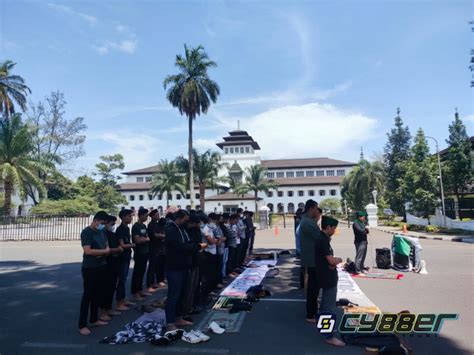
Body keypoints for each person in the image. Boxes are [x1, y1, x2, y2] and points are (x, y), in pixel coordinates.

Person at [165, 210, 207, 331]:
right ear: (179, 218)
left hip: (184, 266)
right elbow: (180, 247)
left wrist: (195, 246)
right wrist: (198, 246)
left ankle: (179, 317)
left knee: (182, 293)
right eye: (185, 220)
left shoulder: (181, 229)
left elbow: (188, 243)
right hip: (174, 267)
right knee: (173, 295)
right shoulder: (171, 230)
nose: (187, 222)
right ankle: (170, 322)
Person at [78, 211, 110, 336]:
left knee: (98, 294)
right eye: (102, 223)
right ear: (96, 220)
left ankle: (94, 318)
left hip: (101, 266)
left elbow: (107, 247)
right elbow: (88, 251)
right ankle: (82, 325)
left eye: (104, 224)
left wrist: (103, 252)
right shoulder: (87, 232)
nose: (103, 226)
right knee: (88, 295)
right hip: (90, 268)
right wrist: (103, 251)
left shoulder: (102, 232)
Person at [315, 216, 345, 347]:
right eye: (334, 228)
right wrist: (338, 260)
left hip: (326, 274)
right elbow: (331, 261)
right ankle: (329, 336)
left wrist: (332, 263)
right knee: (328, 307)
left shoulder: (322, 238)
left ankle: (324, 328)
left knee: (324, 306)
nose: (335, 230)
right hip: (328, 278)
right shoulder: (322, 240)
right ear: (328, 227)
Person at [299, 199, 322, 323]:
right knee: (313, 287)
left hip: (313, 258)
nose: (317, 211)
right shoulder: (308, 222)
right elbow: (320, 238)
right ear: (311, 209)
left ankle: (313, 310)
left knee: (315, 286)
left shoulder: (309, 221)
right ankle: (311, 314)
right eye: (316, 209)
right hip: (312, 258)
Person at [100, 215, 123, 320]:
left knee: (112, 286)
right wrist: (117, 249)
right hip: (106, 264)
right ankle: (103, 311)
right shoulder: (102, 234)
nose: (113, 226)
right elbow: (107, 249)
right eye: (111, 224)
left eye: (114, 224)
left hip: (115, 262)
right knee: (105, 288)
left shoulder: (112, 234)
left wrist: (118, 249)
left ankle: (109, 308)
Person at [115, 209, 135, 311]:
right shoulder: (120, 229)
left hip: (127, 256)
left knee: (124, 278)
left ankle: (123, 299)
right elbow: (122, 244)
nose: (131, 218)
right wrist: (132, 245)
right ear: (123, 217)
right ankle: (119, 302)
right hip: (122, 257)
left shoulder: (126, 228)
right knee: (121, 279)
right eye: (129, 216)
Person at [131, 208, 151, 301]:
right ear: (141, 215)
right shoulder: (136, 226)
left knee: (142, 272)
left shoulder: (143, 226)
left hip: (146, 251)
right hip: (139, 252)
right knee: (137, 273)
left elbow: (146, 237)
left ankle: (140, 290)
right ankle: (135, 292)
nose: (147, 217)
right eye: (146, 215)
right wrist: (146, 239)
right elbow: (138, 240)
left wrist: (145, 239)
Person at [146, 209, 165, 291]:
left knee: (158, 266)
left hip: (159, 247)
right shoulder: (151, 225)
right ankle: (150, 284)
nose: (158, 216)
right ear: (152, 216)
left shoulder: (157, 224)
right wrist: (163, 236)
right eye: (157, 215)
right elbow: (154, 235)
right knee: (152, 267)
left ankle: (156, 282)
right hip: (153, 248)